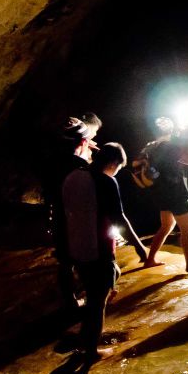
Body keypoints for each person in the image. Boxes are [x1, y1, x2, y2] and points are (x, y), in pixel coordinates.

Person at [62, 142, 135, 360]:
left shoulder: (73, 177)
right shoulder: (106, 182)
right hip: (98, 249)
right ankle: (91, 351)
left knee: (95, 294)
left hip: (76, 246)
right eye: (119, 168)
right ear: (114, 163)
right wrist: (140, 249)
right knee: (97, 301)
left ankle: (85, 340)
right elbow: (118, 217)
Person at [42, 116, 98, 314]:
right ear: (83, 141)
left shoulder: (50, 163)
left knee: (65, 262)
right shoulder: (79, 166)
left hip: (58, 216)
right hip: (78, 220)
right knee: (86, 259)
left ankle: (70, 301)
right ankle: (93, 300)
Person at [143, 116, 188, 271]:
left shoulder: (150, 148)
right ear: (171, 130)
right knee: (187, 229)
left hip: (160, 193)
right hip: (176, 192)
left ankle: (150, 260)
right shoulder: (170, 147)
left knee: (166, 226)